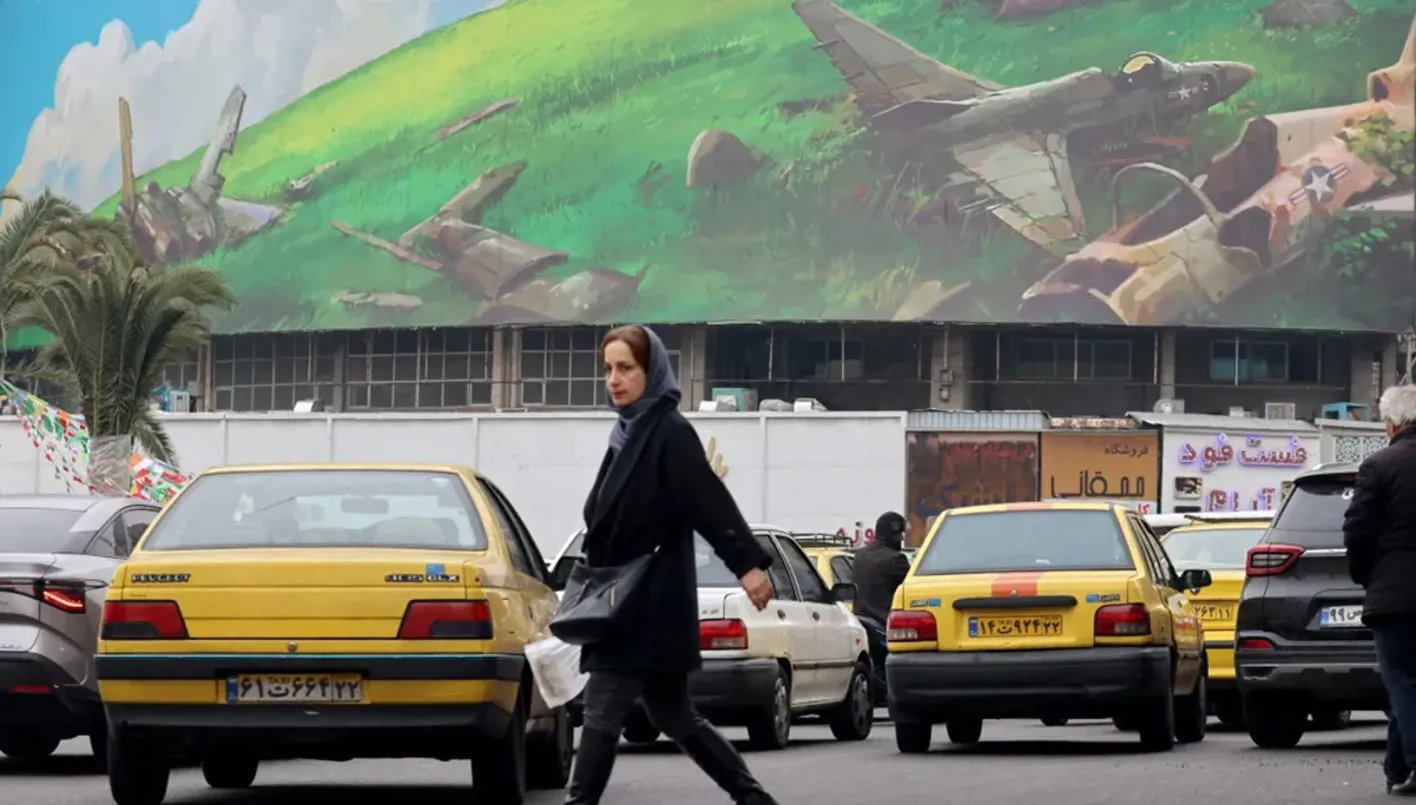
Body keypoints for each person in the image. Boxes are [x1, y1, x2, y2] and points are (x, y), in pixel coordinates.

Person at [565, 324, 780, 805]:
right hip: (622, 601)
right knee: (673, 714)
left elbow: (708, 501)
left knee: (601, 710)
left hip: (646, 604)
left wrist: (746, 566)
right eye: (608, 369)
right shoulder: (626, 434)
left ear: (652, 371)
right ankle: (753, 798)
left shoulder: (668, 432)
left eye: (626, 368)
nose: (614, 380)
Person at [1343, 384, 1416, 796]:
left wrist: (1365, 576)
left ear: (1393, 423)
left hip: (1396, 596)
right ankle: (1397, 768)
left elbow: (1358, 530)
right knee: (1406, 684)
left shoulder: (1379, 466)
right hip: (1394, 591)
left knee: (1403, 679)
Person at [852, 511, 912, 701]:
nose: (902, 539)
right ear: (894, 533)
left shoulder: (859, 556)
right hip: (884, 623)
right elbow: (914, 587)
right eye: (901, 535)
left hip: (860, 620)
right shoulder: (896, 560)